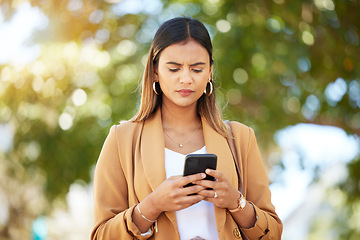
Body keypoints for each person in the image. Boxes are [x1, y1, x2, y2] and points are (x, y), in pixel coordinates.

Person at [91, 17, 282, 240]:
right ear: (155, 71)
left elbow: (273, 233)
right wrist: (153, 205)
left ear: (210, 72)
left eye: (197, 69)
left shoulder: (240, 138)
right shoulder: (121, 139)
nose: (186, 79)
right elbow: (101, 235)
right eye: (174, 68)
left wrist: (235, 202)